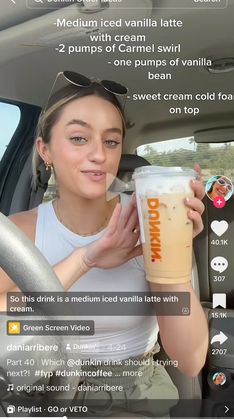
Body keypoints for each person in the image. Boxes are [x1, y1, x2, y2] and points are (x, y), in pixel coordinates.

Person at [0, 71, 208, 417]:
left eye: (111, 142)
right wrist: (87, 258)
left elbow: (190, 361)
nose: (98, 154)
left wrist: (169, 252)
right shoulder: (16, 233)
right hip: (41, 392)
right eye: (80, 138)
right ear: (45, 149)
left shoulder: (148, 221)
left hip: (134, 396)